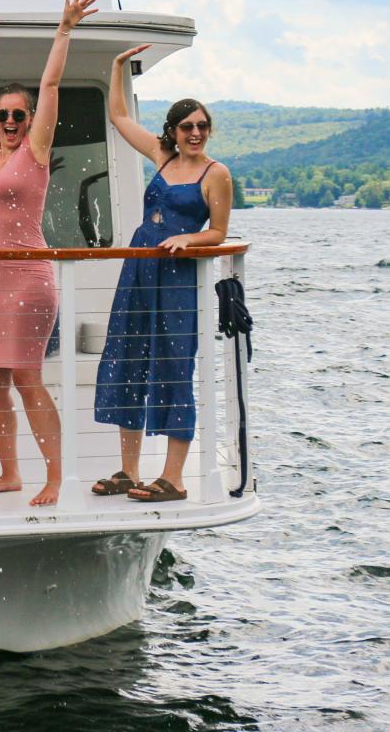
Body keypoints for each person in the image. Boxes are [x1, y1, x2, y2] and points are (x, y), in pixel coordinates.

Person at [0, 0, 97, 506]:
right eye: (3, 116)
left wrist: (64, 29)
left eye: (17, 116)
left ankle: (53, 475)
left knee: (27, 377)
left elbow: (50, 84)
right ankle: (9, 472)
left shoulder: (35, 151)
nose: (8, 122)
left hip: (29, 278)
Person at [92, 49, 232, 503]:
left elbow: (218, 231)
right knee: (128, 358)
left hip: (177, 281)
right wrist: (116, 67)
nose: (195, 133)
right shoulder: (162, 157)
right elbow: (117, 114)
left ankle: (173, 477)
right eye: (187, 126)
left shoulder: (216, 173)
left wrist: (190, 240)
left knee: (175, 366)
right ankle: (129, 471)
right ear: (172, 131)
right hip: (140, 270)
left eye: (202, 126)